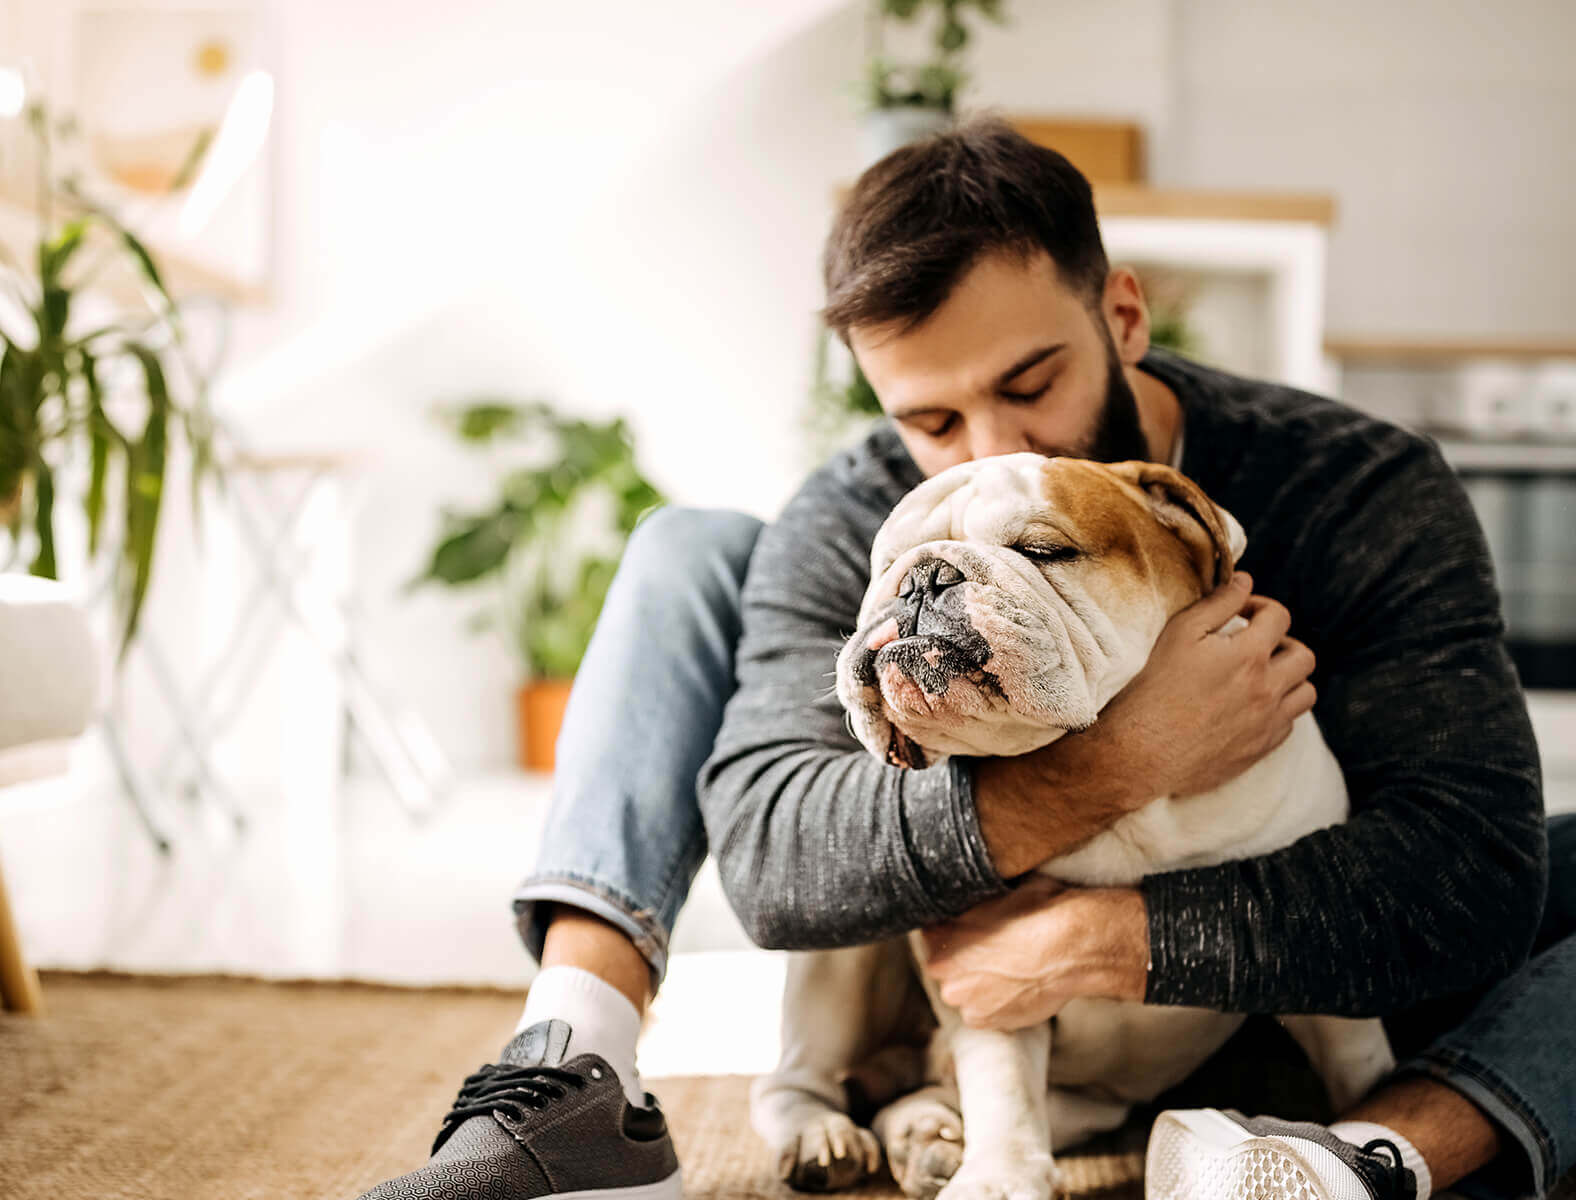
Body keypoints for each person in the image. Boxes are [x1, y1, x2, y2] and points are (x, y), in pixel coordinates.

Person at [353, 118, 1571, 1200]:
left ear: (1123, 315)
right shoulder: (858, 517)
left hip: (1315, 984)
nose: (985, 445)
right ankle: (574, 1057)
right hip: (986, 1011)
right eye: (928, 423)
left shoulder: (1360, 487)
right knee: (688, 546)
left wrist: (1104, 940)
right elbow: (777, 868)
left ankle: (1375, 1154)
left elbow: (1469, 874)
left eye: (1029, 384)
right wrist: (1123, 757)